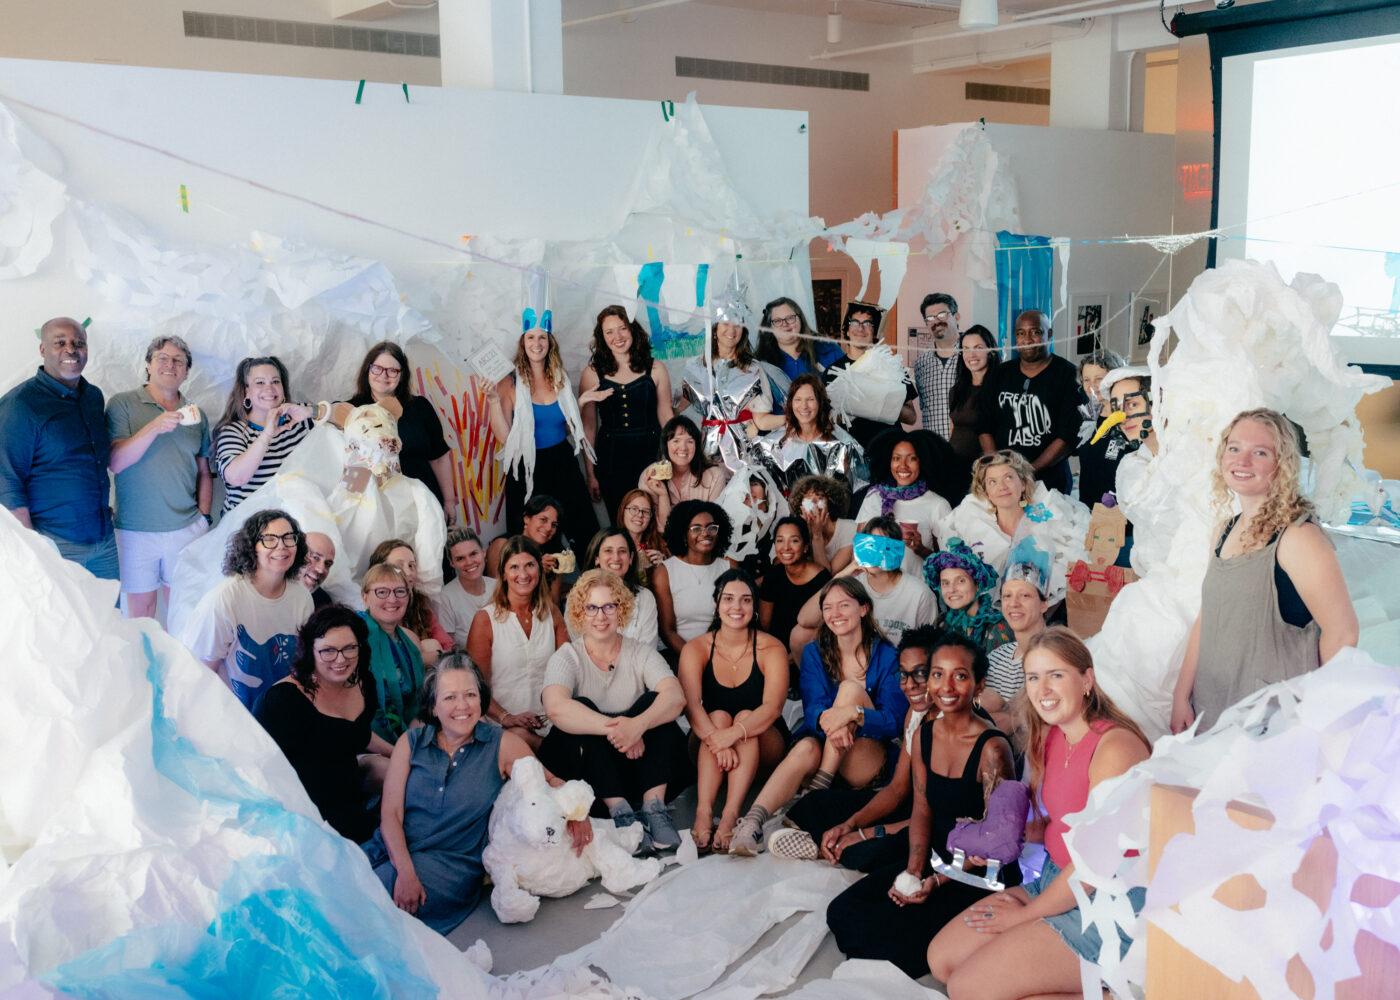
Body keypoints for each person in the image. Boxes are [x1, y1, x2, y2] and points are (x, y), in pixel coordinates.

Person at [927, 628, 1150, 997]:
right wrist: (996, 839)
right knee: (943, 960)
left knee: (968, 989)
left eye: (1056, 675)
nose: (1042, 690)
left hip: (1107, 903)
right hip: (1055, 880)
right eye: (1033, 677)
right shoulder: (1052, 734)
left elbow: (1095, 865)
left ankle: (1114, 992)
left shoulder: (1116, 747)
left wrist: (1023, 916)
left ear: (1087, 680)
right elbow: (1058, 823)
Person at [826, 631, 1018, 979]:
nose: (946, 686)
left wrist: (939, 881)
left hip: (977, 873)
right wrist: (913, 871)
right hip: (935, 858)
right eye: (937, 674)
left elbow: (996, 845)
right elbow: (922, 809)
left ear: (978, 685)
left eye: (960, 676)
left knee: (894, 947)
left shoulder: (993, 749)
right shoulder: (924, 734)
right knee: (842, 913)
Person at [363, 656, 593, 934]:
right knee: (328, 887)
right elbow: (391, 814)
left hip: (449, 865)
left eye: (470, 695)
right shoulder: (410, 743)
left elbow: (547, 781)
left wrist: (577, 812)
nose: (462, 706)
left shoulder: (502, 744)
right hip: (389, 848)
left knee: (366, 903)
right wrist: (405, 871)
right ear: (433, 706)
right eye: (449, 697)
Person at [1171, 409, 1358, 733]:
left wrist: (1317, 718)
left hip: (1270, 726)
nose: (1242, 461)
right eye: (1234, 448)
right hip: (1213, 712)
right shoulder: (1223, 531)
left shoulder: (1298, 537)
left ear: (1282, 464)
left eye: (1260, 452)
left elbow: (1343, 633)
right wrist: (1181, 694)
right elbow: (1209, 615)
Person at [728, 578, 909, 857]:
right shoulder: (815, 652)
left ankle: (816, 794)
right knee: (805, 746)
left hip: (867, 759)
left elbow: (893, 721)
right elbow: (813, 709)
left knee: (850, 690)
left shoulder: (887, 656)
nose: (835, 614)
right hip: (826, 745)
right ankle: (751, 823)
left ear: (863, 609)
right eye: (828, 608)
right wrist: (837, 722)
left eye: (844, 605)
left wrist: (855, 714)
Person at [540, 569, 689, 850]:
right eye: (592, 607)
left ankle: (654, 808)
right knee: (579, 710)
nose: (600, 615)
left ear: (621, 609)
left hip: (637, 765)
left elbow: (676, 697)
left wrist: (638, 726)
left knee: (652, 703)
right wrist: (618, 729)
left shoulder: (640, 651)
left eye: (609, 606)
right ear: (580, 612)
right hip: (592, 773)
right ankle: (620, 813)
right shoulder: (568, 655)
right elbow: (555, 707)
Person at [769, 625, 940, 869]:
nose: (909, 685)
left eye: (920, 673)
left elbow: (942, 817)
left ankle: (827, 846)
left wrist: (866, 833)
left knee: (871, 850)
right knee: (814, 805)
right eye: (903, 675)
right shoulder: (915, 713)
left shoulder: (958, 723)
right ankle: (834, 840)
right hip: (909, 803)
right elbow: (897, 789)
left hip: (937, 821)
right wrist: (851, 824)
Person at [255, 606, 393, 842]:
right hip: (304, 812)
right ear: (310, 651)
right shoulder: (283, 700)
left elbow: (356, 734)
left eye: (349, 648)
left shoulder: (362, 682)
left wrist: (402, 755)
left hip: (350, 793)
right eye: (328, 651)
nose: (340, 659)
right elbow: (261, 769)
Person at [678, 570, 790, 851]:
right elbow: (691, 706)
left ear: (754, 607)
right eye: (728, 599)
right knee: (716, 716)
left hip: (762, 740)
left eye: (745, 600)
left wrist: (734, 734)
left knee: (744, 718)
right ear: (717, 604)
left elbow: (773, 708)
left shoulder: (771, 647)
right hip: (709, 741)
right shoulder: (696, 647)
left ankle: (729, 815)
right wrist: (718, 741)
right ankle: (704, 811)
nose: (736, 608)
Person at [0, 317, 117, 578]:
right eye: (60, 343)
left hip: (103, 541)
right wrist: (33, 551)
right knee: (65, 620)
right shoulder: (21, 406)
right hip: (54, 545)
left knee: (111, 619)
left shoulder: (93, 396)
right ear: (43, 350)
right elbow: (7, 480)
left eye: (79, 343)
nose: (71, 350)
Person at [105, 335, 212, 618]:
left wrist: (204, 518)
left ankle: (179, 664)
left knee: (182, 611)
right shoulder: (122, 404)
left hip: (186, 528)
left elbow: (204, 471)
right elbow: (115, 462)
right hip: (134, 531)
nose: (170, 364)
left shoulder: (196, 414)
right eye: (162, 358)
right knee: (140, 615)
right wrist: (154, 426)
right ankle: (145, 664)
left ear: (187, 371)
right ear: (148, 365)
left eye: (178, 361)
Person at [483, 317, 600, 555]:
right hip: (527, 467)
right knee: (532, 543)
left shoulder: (560, 377)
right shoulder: (510, 382)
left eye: (542, 337)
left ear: (550, 342)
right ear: (522, 343)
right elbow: (506, 437)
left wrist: (580, 404)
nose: (537, 343)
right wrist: (494, 401)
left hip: (562, 460)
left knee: (584, 530)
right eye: (530, 337)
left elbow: (566, 427)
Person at [179, 508, 314, 710]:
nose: (281, 546)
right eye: (269, 539)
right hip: (234, 714)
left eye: (289, 538)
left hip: (284, 710)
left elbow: (305, 662)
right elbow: (203, 673)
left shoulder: (301, 597)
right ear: (252, 547)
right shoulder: (225, 599)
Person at [942, 448, 1088, 598]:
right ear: (986, 493)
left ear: (1023, 483)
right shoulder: (976, 528)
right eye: (993, 482)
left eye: (1008, 478)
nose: (1002, 487)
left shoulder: (1049, 521)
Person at [466, 535, 567, 749]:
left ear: (539, 569)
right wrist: (506, 717)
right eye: (514, 567)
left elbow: (568, 673)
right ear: (503, 573)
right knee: (520, 739)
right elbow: (475, 687)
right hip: (503, 727)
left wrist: (555, 714)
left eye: (530, 565)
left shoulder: (552, 614)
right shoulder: (485, 619)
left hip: (550, 724)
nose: (523, 574)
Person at [579, 305, 674, 520]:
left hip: (651, 455)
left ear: (632, 330)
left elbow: (667, 417)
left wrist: (673, 463)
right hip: (611, 459)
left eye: (622, 328)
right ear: (602, 337)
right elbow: (589, 428)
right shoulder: (592, 373)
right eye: (609, 332)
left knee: (655, 518)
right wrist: (591, 474)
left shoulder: (656, 368)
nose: (617, 337)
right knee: (621, 519)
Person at [345, 341, 456, 519]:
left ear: (402, 375)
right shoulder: (352, 410)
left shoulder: (420, 407)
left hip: (424, 501)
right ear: (368, 369)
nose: (384, 375)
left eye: (393, 370)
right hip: (378, 508)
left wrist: (449, 501)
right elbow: (325, 416)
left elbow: (439, 458)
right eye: (377, 368)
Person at [976, 309, 1081, 496]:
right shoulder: (999, 374)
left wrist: (1028, 471)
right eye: (1021, 333)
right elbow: (984, 425)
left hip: (1050, 482)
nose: (1027, 339)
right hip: (1004, 481)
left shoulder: (1068, 375)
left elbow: (1067, 436)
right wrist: (996, 466)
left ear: (1049, 334)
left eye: (1036, 332)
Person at [802, 515, 937, 648]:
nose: (876, 553)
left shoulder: (919, 593)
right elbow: (805, 619)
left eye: (885, 547)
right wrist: (841, 575)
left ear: (898, 550)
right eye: (870, 545)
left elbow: (929, 645)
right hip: (860, 662)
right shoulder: (853, 585)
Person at [855, 429, 958, 562]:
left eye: (912, 459)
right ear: (889, 461)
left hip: (917, 581)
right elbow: (858, 553)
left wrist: (920, 549)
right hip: (877, 581)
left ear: (923, 462)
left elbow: (951, 562)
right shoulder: (874, 496)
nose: (903, 466)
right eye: (896, 458)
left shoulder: (937, 504)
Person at [823, 302, 917, 449]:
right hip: (852, 450)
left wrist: (876, 401)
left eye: (868, 323)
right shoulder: (833, 372)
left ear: (875, 333)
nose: (860, 328)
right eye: (855, 322)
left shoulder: (891, 365)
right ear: (847, 331)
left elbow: (911, 417)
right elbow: (827, 420)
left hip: (890, 448)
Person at [983, 553, 1052, 738]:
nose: (1013, 604)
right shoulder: (996, 657)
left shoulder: (1056, 656)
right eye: (1007, 596)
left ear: (1044, 604)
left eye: (1025, 595)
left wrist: (1013, 719)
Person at [757, 374, 863, 493]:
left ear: (820, 402)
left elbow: (856, 489)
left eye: (810, 399)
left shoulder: (842, 443)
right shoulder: (774, 444)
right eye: (798, 400)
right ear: (791, 403)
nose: (804, 406)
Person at [358, 563, 427, 744]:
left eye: (400, 591)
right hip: (369, 737)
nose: (392, 599)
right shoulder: (356, 637)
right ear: (365, 597)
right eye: (382, 592)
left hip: (408, 727)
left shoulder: (409, 640)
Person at [655, 499, 733, 655]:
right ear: (684, 533)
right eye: (696, 528)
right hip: (681, 653)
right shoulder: (665, 572)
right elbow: (667, 631)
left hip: (724, 652)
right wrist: (695, 658)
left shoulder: (728, 567)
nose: (705, 533)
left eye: (711, 527)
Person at [639, 416, 731, 532]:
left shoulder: (715, 476)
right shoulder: (650, 476)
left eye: (690, 441)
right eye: (676, 440)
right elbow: (660, 529)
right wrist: (663, 495)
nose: (683, 447)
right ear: (665, 445)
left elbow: (711, 523)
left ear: (697, 446)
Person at [368, 539, 450, 667]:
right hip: (390, 680)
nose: (409, 572)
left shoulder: (420, 605)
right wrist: (424, 658)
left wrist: (438, 655)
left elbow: (448, 646)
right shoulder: (369, 611)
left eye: (412, 565)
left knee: (431, 644)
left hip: (426, 679)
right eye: (399, 566)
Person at [572, 528, 660, 647]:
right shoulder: (577, 597)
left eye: (622, 551)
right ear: (596, 558)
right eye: (608, 550)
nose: (616, 558)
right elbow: (581, 648)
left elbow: (648, 651)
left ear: (631, 558)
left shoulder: (645, 598)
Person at [923, 539, 1013, 652]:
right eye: (945, 583)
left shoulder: (997, 627)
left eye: (961, 581)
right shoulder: (942, 622)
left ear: (978, 585)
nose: (951, 589)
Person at [759, 517, 831, 656]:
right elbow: (765, 625)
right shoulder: (772, 576)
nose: (786, 547)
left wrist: (795, 654)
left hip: (812, 651)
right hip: (776, 650)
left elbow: (826, 627)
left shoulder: (822, 578)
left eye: (794, 540)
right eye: (780, 540)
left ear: (805, 547)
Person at [946, 325, 1000, 499]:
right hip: (955, 468)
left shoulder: (1000, 388)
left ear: (990, 351)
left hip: (984, 471)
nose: (971, 355)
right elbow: (953, 428)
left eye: (978, 348)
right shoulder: (957, 390)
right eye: (966, 349)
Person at [1075, 349, 1129, 508]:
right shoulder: (1087, 417)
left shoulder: (1129, 419)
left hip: (1122, 517)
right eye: (1086, 379)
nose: (1092, 385)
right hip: (1089, 512)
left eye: (1099, 378)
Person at [433, 527, 495, 651]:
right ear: (451, 563)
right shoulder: (445, 597)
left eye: (473, 554)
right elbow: (449, 647)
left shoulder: (498, 587)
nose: (469, 562)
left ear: (483, 553)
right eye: (460, 558)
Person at [913, 292, 963, 440]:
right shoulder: (921, 364)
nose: (936, 322)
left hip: (968, 449)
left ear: (957, 316)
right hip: (933, 449)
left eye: (942, 315)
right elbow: (924, 408)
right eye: (929, 318)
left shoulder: (972, 356)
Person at [755, 297, 842, 379]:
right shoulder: (760, 362)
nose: (785, 324)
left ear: (800, 319)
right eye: (777, 321)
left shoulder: (829, 349)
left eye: (790, 318)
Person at [485, 493, 564, 577]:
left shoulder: (554, 554)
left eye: (554, 525)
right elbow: (496, 585)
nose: (549, 528)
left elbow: (554, 590)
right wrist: (536, 569)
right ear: (526, 519)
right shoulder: (502, 544)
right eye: (543, 520)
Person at [790, 474, 855, 572]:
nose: (814, 502)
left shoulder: (849, 528)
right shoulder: (801, 535)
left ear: (830, 502)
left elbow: (825, 576)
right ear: (801, 507)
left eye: (820, 497)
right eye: (808, 498)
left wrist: (817, 535)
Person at [616, 488, 667, 585]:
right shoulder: (612, 544)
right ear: (623, 511)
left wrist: (664, 566)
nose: (640, 515)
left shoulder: (657, 544)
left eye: (646, 511)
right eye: (634, 509)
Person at [299, 531, 337, 609]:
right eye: (315, 558)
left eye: (327, 564)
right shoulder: (270, 587)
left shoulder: (323, 604)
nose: (321, 570)